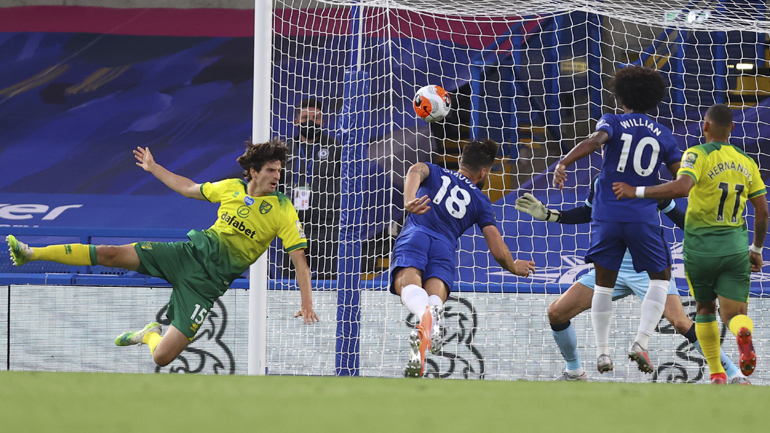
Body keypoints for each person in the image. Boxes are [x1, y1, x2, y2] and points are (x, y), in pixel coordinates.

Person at [6, 140, 318, 367]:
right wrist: (154, 168)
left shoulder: (283, 210)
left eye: (279, 170)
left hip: (207, 285)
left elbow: (300, 263)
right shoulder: (231, 188)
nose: (277, 176)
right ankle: (31, 252)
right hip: (188, 254)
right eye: (271, 170)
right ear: (253, 172)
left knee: (163, 356)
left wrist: (306, 303)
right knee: (110, 252)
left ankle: (148, 334)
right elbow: (188, 188)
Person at [515, 176, 749, 384]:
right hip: (611, 267)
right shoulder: (600, 182)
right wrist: (549, 215)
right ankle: (574, 371)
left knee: (680, 322)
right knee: (556, 313)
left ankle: (733, 373)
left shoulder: (652, 185)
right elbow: (587, 212)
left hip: (649, 269)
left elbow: (682, 220)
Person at [613, 103, 768, 384]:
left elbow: (682, 187)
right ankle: (742, 333)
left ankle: (718, 374)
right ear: (732, 128)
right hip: (735, 246)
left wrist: (637, 191)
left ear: (705, 126)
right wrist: (756, 249)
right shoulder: (747, 162)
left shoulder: (696, 154)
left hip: (700, 247)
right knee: (734, 314)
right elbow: (763, 211)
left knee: (705, 309)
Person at [553, 66, 682, 374]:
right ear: (654, 99)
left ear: (621, 95)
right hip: (641, 215)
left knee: (603, 284)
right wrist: (650, 190)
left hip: (606, 215)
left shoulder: (612, 121)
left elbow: (595, 141)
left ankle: (602, 354)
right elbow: (681, 179)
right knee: (661, 277)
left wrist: (564, 161)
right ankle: (641, 342)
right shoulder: (664, 134)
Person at [391, 139, 536, 378]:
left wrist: (409, 200)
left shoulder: (435, 170)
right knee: (435, 296)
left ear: (460, 161)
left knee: (407, 283)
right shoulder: (481, 202)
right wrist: (513, 266)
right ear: (484, 172)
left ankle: (426, 317)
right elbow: (498, 250)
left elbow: (415, 169)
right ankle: (430, 324)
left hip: (417, 233)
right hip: (445, 247)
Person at [281, 97, 341, 280]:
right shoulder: (284, 150)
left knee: (328, 281)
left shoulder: (336, 148)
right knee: (291, 282)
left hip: (328, 227)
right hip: (293, 225)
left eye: (315, 118)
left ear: (323, 122)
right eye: (306, 117)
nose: (310, 122)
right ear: (296, 121)